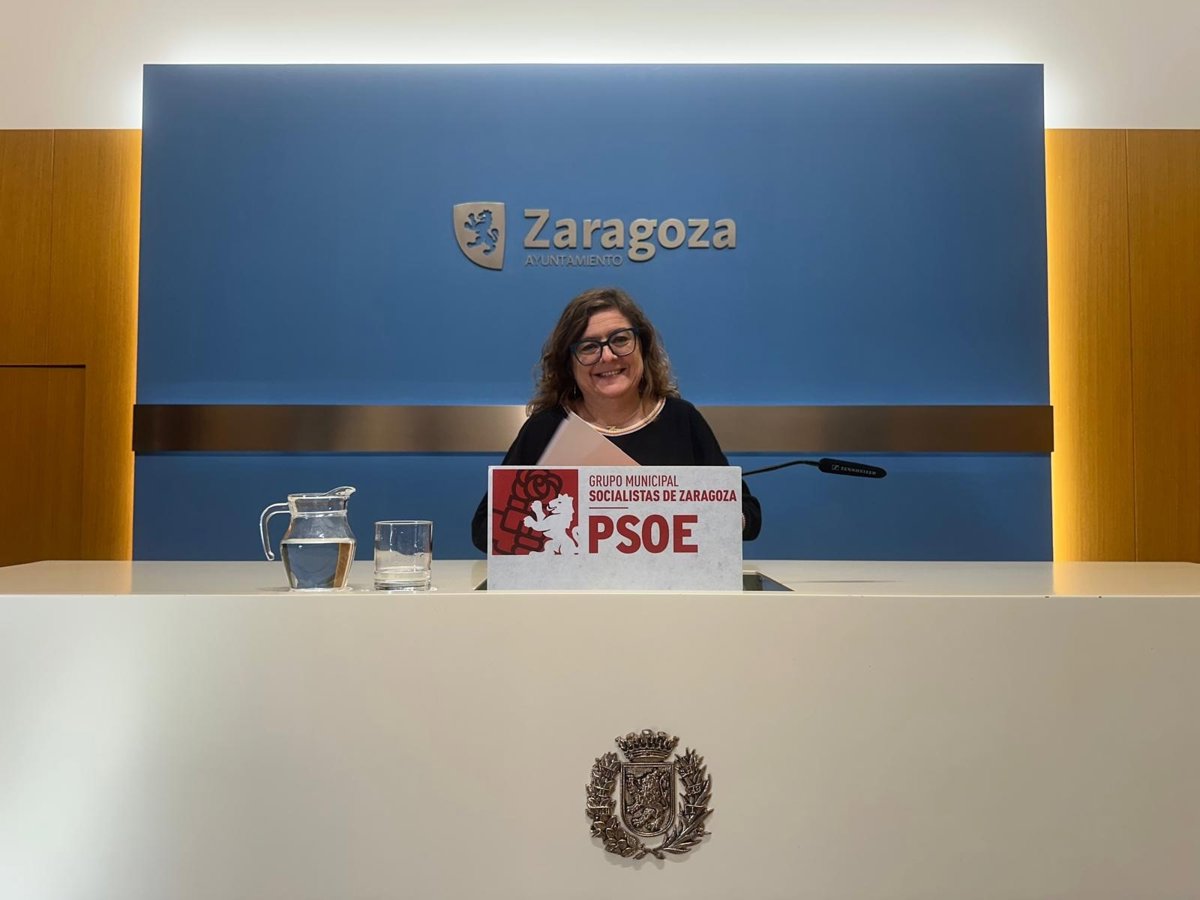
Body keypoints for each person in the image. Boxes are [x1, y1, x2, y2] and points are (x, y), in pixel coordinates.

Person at [471, 286, 762, 552]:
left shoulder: (682, 420)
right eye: (588, 347)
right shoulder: (546, 428)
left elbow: (749, 517)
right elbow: (485, 530)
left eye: (620, 340)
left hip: (665, 591)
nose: (608, 356)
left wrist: (709, 518)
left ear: (643, 347)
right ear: (568, 364)